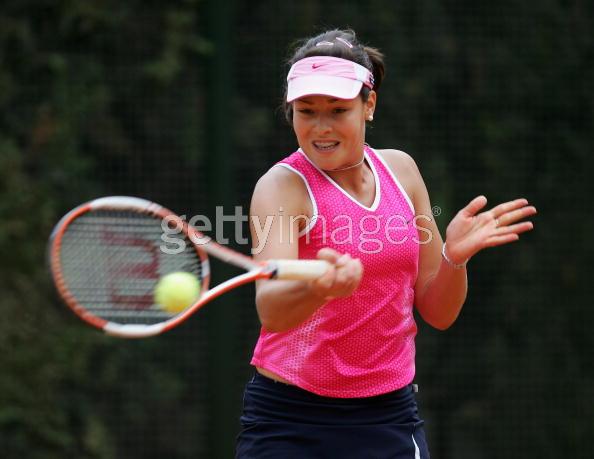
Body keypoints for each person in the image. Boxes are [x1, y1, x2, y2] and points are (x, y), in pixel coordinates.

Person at [236, 29, 536, 459]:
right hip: (290, 421)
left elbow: (438, 312)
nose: (321, 127)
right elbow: (272, 310)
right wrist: (319, 287)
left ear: (368, 106)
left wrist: (454, 257)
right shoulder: (281, 188)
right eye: (306, 111)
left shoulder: (403, 172)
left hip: (388, 419)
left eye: (338, 110)